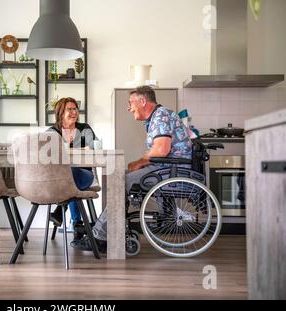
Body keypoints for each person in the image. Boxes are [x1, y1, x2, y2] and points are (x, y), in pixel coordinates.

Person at [71, 86, 193, 253]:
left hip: (170, 171)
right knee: (121, 178)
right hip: (166, 168)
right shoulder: (156, 117)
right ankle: (110, 231)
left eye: (131, 103)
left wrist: (140, 162)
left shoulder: (161, 116)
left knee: (120, 181)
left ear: (143, 101)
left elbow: (161, 149)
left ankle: (100, 237)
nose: (129, 108)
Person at [47, 97, 97, 240]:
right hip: (58, 179)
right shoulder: (52, 132)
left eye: (75, 109)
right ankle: (78, 225)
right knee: (69, 177)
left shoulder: (85, 129)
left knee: (71, 175)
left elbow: (95, 149)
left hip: (84, 175)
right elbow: (45, 156)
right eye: (70, 109)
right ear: (61, 112)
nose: (74, 112)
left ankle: (60, 209)